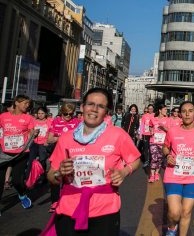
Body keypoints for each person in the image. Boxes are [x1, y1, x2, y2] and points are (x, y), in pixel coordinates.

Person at [44, 88, 141, 235]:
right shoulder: (66, 138)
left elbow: (135, 159)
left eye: (101, 106)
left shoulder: (117, 135)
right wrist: (59, 173)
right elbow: (51, 176)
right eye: (90, 104)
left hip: (105, 210)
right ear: (82, 107)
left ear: (106, 112)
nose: (94, 109)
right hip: (69, 209)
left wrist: (124, 172)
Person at [162, 101, 194, 236]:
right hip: (173, 174)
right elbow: (165, 147)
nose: (187, 114)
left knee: (185, 212)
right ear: (180, 114)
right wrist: (167, 156)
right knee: (174, 212)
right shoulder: (172, 131)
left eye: (190, 111)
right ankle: (172, 227)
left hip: (193, 177)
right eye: (184, 111)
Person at [0, 95, 36, 209]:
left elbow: (31, 133)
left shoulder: (28, 118)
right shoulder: (3, 116)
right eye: (25, 103)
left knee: (16, 181)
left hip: (21, 153)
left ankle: (22, 195)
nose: (27, 106)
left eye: (28, 104)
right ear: (16, 103)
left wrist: (34, 134)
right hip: (4, 153)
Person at [149, 104, 171, 183]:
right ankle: (152, 175)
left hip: (163, 142)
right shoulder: (153, 119)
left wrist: (163, 127)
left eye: (166, 109)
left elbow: (170, 131)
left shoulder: (168, 119)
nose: (166, 111)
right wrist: (151, 131)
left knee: (160, 158)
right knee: (154, 157)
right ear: (160, 110)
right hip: (153, 141)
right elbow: (150, 126)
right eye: (165, 109)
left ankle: (157, 173)